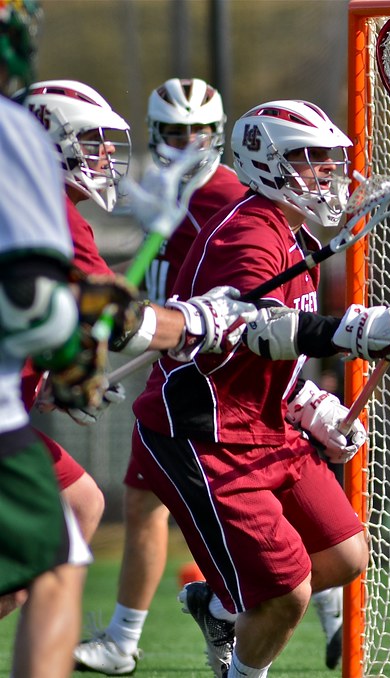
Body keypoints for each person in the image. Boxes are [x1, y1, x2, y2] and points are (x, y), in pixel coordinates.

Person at [129, 99, 390, 678]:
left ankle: (221, 611)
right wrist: (358, 331)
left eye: (329, 159)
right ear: (264, 161)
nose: (327, 172)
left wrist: (308, 402)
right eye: (309, 159)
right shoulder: (247, 233)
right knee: (286, 593)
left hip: (262, 423)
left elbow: (272, 359)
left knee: (344, 555)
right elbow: (263, 332)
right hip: (206, 435)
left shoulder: (294, 234)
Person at [0, 3, 255, 675]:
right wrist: (201, 321)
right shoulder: (50, 209)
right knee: (58, 546)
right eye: (92, 144)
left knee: (77, 507)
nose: (106, 160)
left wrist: (47, 373)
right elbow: (113, 319)